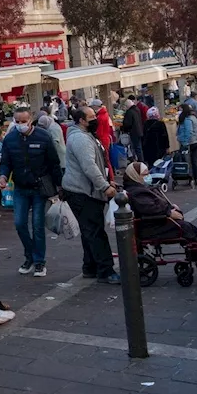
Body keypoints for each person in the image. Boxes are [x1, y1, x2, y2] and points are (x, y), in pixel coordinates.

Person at [0, 109, 62, 278]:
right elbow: (5, 162)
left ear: (31, 119)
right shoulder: (10, 139)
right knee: (20, 224)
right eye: (17, 121)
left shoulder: (43, 137)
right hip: (20, 187)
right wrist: (3, 176)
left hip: (39, 188)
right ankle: (30, 256)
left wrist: (59, 187)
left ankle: (39, 261)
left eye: (23, 121)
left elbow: (54, 163)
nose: (20, 125)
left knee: (37, 225)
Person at [63, 106, 119, 283]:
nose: (95, 119)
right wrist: (104, 186)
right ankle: (105, 270)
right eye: (92, 116)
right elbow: (89, 166)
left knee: (90, 231)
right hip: (82, 192)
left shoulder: (85, 136)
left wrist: (107, 180)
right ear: (82, 120)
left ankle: (90, 267)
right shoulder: (80, 139)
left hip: (84, 190)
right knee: (95, 232)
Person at [123, 162, 197, 243]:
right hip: (151, 227)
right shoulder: (137, 192)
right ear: (135, 176)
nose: (148, 177)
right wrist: (169, 212)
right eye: (144, 175)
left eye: (148, 174)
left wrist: (170, 208)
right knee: (186, 228)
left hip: (154, 223)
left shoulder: (140, 188)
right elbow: (150, 209)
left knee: (186, 227)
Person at [176, 103, 197, 182]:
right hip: (196, 140)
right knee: (194, 159)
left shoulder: (187, 119)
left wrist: (185, 141)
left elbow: (188, 131)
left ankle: (192, 176)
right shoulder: (194, 117)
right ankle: (195, 176)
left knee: (189, 160)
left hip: (190, 142)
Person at [121, 96, 145, 163]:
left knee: (135, 148)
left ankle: (139, 161)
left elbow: (127, 123)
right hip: (139, 130)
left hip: (133, 132)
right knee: (138, 148)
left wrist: (123, 128)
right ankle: (141, 161)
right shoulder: (137, 109)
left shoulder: (129, 112)